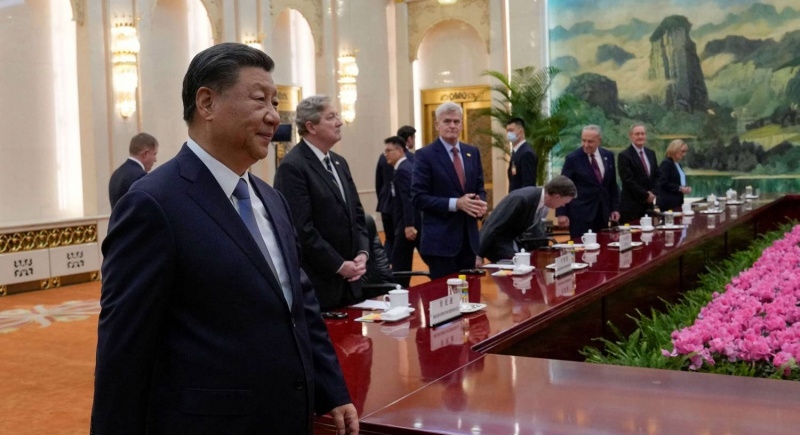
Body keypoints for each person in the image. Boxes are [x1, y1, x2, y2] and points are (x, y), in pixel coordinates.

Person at [91, 43, 358, 435]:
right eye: (259, 99)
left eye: (275, 102)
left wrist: (331, 388)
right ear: (207, 103)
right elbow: (123, 348)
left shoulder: (272, 199)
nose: (274, 116)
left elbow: (299, 306)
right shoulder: (153, 203)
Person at [274, 95, 369, 311]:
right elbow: (301, 229)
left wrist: (362, 254)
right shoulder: (293, 166)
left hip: (352, 282)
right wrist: (339, 265)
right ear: (311, 127)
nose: (340, 122)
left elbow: (357, 215)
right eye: (331, 117)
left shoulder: (339, 162)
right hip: (320, 286)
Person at [412, 101, 487, 280]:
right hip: (441, 244)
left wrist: (480, 204)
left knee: (470, 292)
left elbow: (480, 188)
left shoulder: (472, 152)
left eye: (456, 121)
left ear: (462, 124)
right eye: (447, 121)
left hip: (469, 241)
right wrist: (456, 204)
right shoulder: (425, 155)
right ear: (437, 125)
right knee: (444, 295)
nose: (452, 125)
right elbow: (418, 198)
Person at [479, 176, 576, 263]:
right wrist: (478, 255)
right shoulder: (522, 199)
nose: (563, 205)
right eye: (564, 202)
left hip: (511, 241)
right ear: (557, 196)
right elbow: (492, 225)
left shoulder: (535, 198)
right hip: (496, 243)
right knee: (520, 266)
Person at [556, 125, 620, 239]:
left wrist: (615, 208)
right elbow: (562, 186)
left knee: (602, 245)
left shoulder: (608, 156)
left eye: (590, 141)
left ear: (599, 141)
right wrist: (561, 213)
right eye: (583, 140)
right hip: (580, 214)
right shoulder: (573, 158)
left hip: (602, 214)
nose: (586, 144)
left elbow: (612, 185)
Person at [384, 136, 417, 287]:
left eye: (388, 150)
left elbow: (407, 199)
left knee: (399, 263)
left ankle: (399, 292)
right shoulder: (403, 168)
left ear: (399, 151)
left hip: (406, 224)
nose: (386, 154)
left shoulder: (403, 169)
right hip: (404, 222)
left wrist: (409, 224)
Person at [618, 123, 659, 224]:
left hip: (648, 206)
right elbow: (628, 180)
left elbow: (657, 176)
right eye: (637, 134)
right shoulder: (624, 156)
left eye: (642, 134)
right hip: (632, 207)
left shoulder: (651, 153)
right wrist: (645, 195)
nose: (640, 137)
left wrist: (653, 193)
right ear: (631, 136)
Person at [107, 132, 159, 208]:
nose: (155, 160)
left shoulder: (116, 174)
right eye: (154, 154)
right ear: (145, 154)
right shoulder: (140, 176)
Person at [656, 139, 692, 212]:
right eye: (682, 151)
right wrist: (679, 188)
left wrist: (685, 188)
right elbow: (662, 182)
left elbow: (678, 181)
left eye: (685, 152)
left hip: (677, 201)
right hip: (668, 202)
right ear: (675, 150)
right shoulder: (666, 163)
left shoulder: (678, 164)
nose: (684, 154)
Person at [374, 149, 395, 262]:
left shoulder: (382, 157)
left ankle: (385, 265)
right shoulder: (410, 157)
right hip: (399, 208)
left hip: (385, 203)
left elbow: (378, 182)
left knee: (389, 239)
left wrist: (382, 199)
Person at [506, 118, 538, 191]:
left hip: (522, 197)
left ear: (520, 132)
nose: (508, 134)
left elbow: (528, 184)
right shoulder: (516, 152)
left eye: (511, 130)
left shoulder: (527, 153)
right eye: (507, 131)